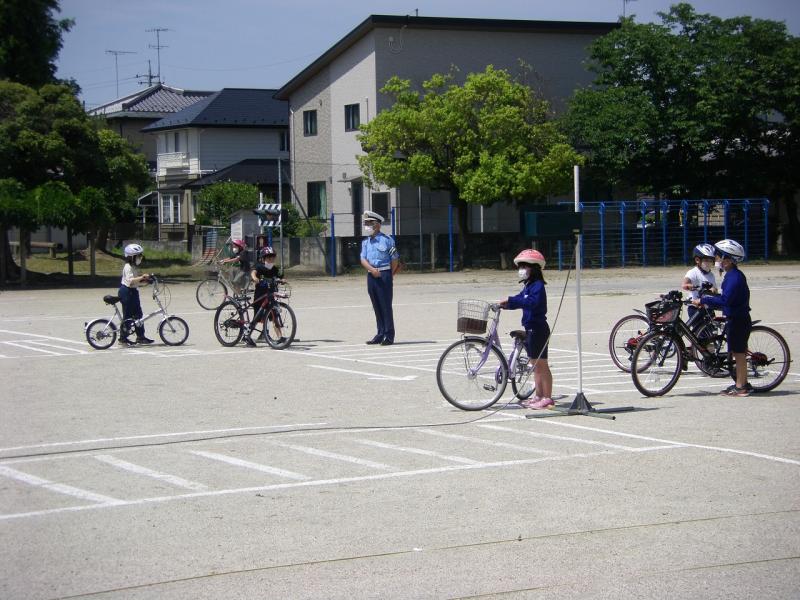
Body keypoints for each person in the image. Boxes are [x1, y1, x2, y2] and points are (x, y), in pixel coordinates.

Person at [692, 239, 753, 397]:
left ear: (728, 259)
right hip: (736, 317)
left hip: (738, 319)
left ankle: (741, 387)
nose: (716, 260)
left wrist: (704, 300)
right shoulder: (732, 275)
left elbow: (726, 301)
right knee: (736, 351)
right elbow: (726, 298)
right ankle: (741, 383)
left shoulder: (734, 278)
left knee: (739, 353)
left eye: (719, 256)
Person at [499, 249, 553, 410]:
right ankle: (538, 395)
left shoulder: (538, 286)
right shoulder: (529, 286)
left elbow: (530, 302)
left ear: (534, 268)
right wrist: (507, 304)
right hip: (530, 328)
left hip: (539, 329)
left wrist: (512, 300)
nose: (521, 269)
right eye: (520, 266)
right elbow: (520, 299)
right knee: (534, 365)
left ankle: (547, 397)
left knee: (542, 365)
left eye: (524, 266)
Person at [360, 210, 399, 346]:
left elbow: (394, 260)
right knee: (376, 306)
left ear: (376, 225)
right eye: (365, 223)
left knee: (385, 306)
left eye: (368, 223)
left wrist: (388, 273)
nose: (366, 226)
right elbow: (363, 259)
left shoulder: (387, 240)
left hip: (384, 275)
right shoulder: (366, 242)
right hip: (371, 276)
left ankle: (389, 335)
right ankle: (380, 333)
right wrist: (371, 270)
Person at [243, 246, 283, 347]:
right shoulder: (259, 266)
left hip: (271, 295)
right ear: (263, 258)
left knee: (274, 317)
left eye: (272, 257)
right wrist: (255, 278)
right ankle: (247, 335)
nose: (271, 259)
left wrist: (282, 280)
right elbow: (253, 272)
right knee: (258, 316)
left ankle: (280, 338)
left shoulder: (274, 269)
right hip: (260, 295)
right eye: (268, 257)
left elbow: (279, 276)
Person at [118, 243, 153, 346]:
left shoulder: (134, 266)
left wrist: (147, 281)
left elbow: (137, 281)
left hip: (133, 291)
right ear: (131, 257)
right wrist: (143, 277)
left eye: (140, 255)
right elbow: (130, 281)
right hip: (126, 292)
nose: (140, 258)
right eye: (138, 256)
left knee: (138, 315)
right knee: (128, 316)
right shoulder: (127, 267)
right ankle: (123, 338)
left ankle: (141, 337)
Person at [682, 243, 718, 335]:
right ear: (698, 260)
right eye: (706, 260)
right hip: (695, 307)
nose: (709, 263)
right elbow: (685, 283)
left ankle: (706, 348)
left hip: (708, 307)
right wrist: (689, 286)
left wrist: (714, 291)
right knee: (701, 333)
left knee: (712, 333)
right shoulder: (693, 272)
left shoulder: (711, 275)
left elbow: (714, 289)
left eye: (711, 260)